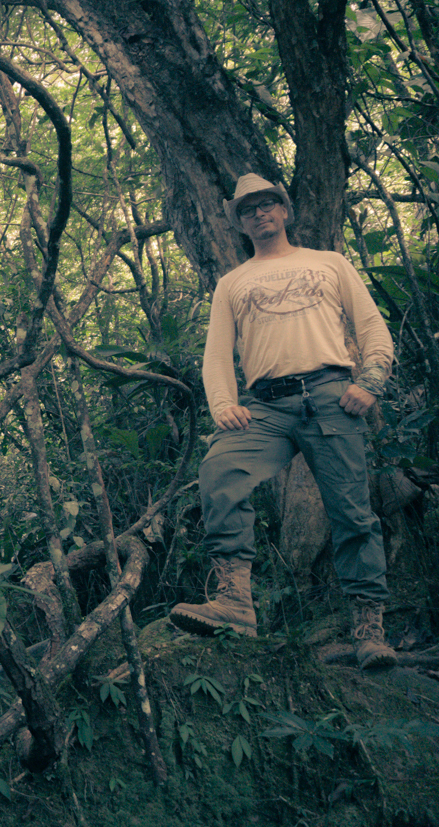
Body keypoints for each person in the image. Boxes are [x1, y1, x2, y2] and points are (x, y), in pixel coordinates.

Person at [170, 173, 397, 670]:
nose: (260, 212)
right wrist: (222, 403)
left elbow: (373, 328)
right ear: (240, 222)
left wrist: (370, 383)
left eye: (269, 203)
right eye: (249, 208)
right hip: (265, 405)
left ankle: (369, 629)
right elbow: (215, 355)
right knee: (219, 469)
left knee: (353, 513)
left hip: (331, 395)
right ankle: (234, 604)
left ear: (285, 211)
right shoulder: (233, 283)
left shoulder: (329, 263)